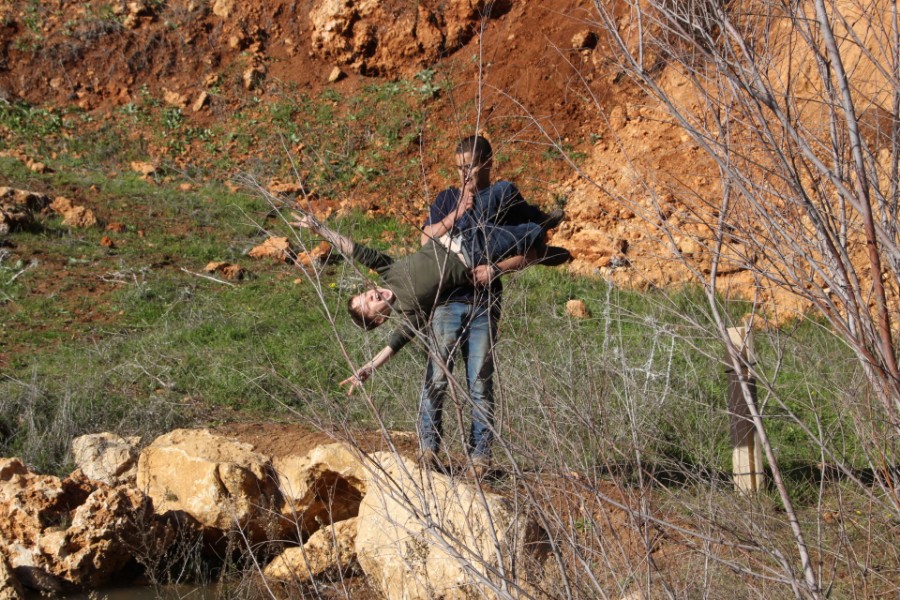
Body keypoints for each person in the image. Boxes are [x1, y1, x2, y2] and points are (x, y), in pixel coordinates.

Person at [417, 135, 566, 476]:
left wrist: (495, 268)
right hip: (446, 300)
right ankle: (429, 451)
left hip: (485, 302)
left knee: (480, 381)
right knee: (437, 377)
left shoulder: (506, 200)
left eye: (469, 167)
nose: (463, 174)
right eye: (458, 168)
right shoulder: (447, 198)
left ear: (486, 164)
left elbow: (532, 252)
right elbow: (426, 239)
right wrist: (456, 214)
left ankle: (480, 459)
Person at [289, 210, 554, 398]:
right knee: (530, 235)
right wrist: (370, 366)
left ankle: (542, 233)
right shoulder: (411, 312)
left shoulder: (389, 271)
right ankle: (544, 245)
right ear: (380, 319)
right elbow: (395, 344)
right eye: (369, 304)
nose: (371, 294)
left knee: (522, 226)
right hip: (474, 256)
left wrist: (319, 228)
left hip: (462, 236)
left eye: (366, 294)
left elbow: (354, 249)